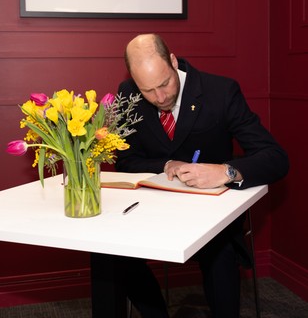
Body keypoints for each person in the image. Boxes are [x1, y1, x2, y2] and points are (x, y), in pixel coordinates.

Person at [91, 34, 289, 318]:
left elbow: (275, 157)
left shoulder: (220, 91)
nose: (160, 97)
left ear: (173, 61)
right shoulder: (128, 94)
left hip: (209, 215)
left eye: (165, 83)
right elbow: (125, 161)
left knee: (220, 253)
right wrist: (167, 163)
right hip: (151, 210)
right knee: (107, 249)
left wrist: (226, 171)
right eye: (148, 90)